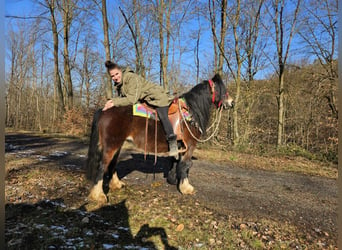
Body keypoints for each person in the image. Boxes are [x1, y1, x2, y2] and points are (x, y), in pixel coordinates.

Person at [103, 60, 178, 158]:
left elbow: (132, 99)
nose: (115, 77)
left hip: (158, 97)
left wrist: (113, 102)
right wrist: (110, 103)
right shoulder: (119, 85)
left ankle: (173, 145)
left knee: (163, 116)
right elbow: (123, 100)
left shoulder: (131, 78)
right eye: (112, 76)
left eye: (117, 74)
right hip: (146, 100)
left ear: (121, 71)